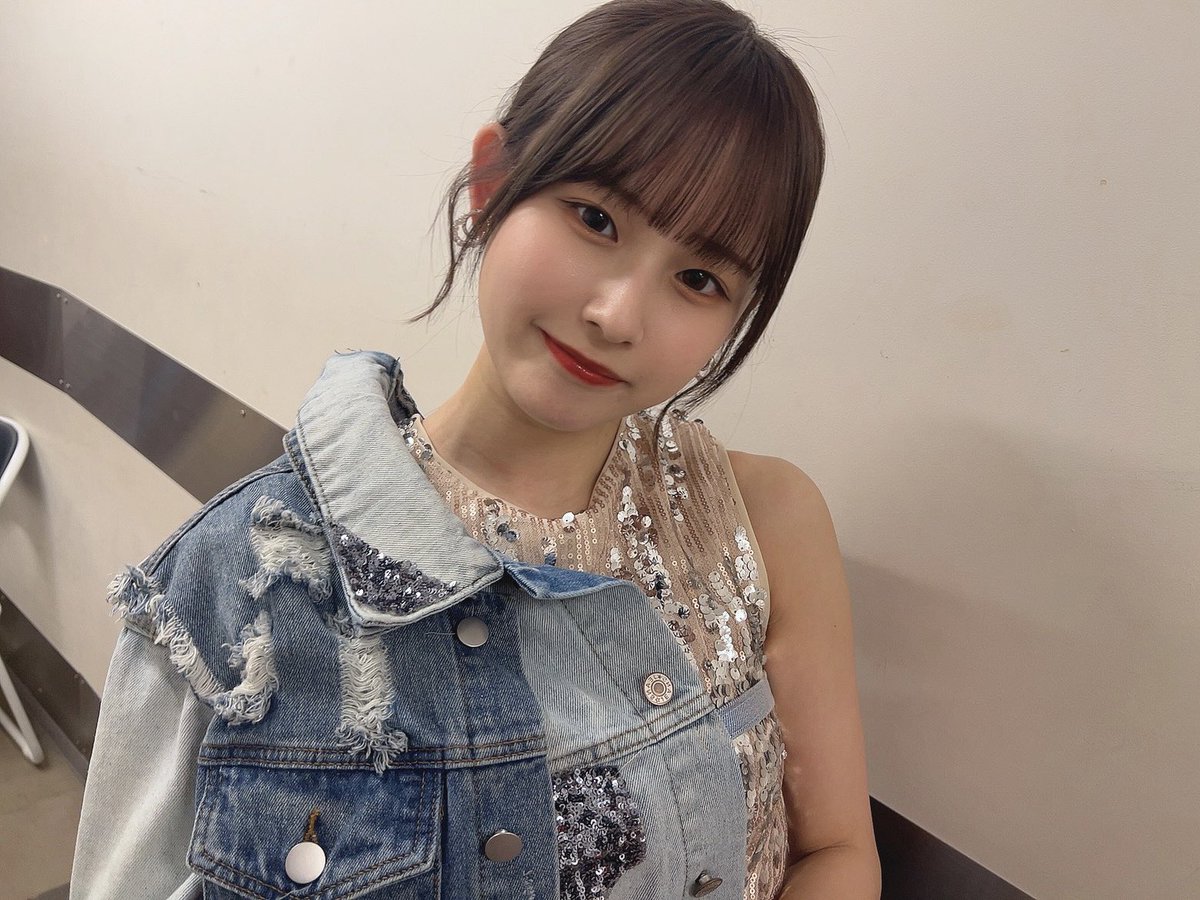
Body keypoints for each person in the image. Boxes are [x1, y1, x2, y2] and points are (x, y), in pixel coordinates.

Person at [71, 1, 881, 898]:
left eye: (698, 278)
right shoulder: (232, 588)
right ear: (493, 184)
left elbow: (836, 850)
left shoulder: (764, 520)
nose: (617, 314)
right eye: (595, 218)